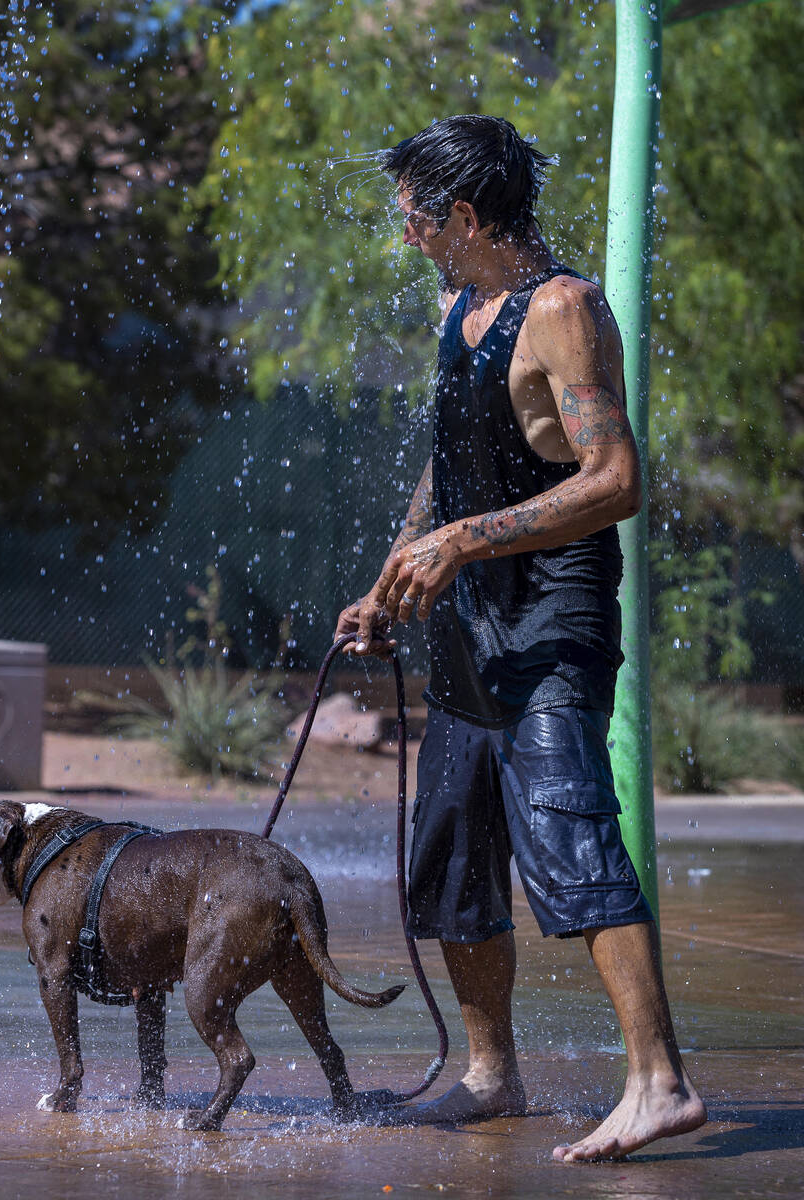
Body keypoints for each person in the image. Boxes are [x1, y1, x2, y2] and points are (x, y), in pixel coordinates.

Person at [334, 115, 706, 1161]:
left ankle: (659, 1081)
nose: (401, 232)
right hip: (466, 623)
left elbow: (615, 480)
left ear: (460, 212)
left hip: (552, 618)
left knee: (570, 835)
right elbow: (447, 464)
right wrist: (392, 579)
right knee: (451, 851)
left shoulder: (565, 310)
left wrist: (465, 538)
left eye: (411, 213)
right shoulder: (457, 306)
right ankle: (490, 1075)